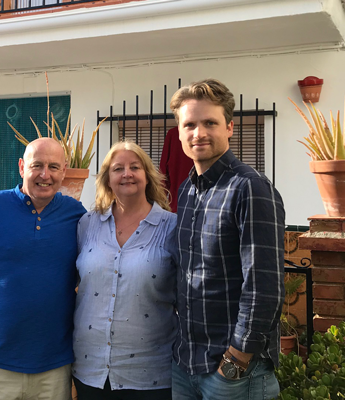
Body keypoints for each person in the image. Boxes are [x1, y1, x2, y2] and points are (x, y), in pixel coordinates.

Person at [169, 79, 285, 400]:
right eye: (189, 124)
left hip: (232, 374)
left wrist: (235, 363)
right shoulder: (187, 190)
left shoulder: (249, 187)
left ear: (230, 127)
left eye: (210, 123)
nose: (198, 133)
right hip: (185, 364)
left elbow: (264, 286)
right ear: (179, 132)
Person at [0, 137, 87, 400]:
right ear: (22, 167)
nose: (45, 175)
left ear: (64, 170)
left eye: (53, 167)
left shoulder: (77, 215)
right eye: (37, 165)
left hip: (54, 369)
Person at [72, 141, 177, 400]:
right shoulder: (87, 224)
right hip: (90, 370)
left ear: (147, 176)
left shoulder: (172, 227)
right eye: (118, 168)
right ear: (107, 179)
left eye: (135, 167)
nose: (127, 174)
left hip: (150, 374)